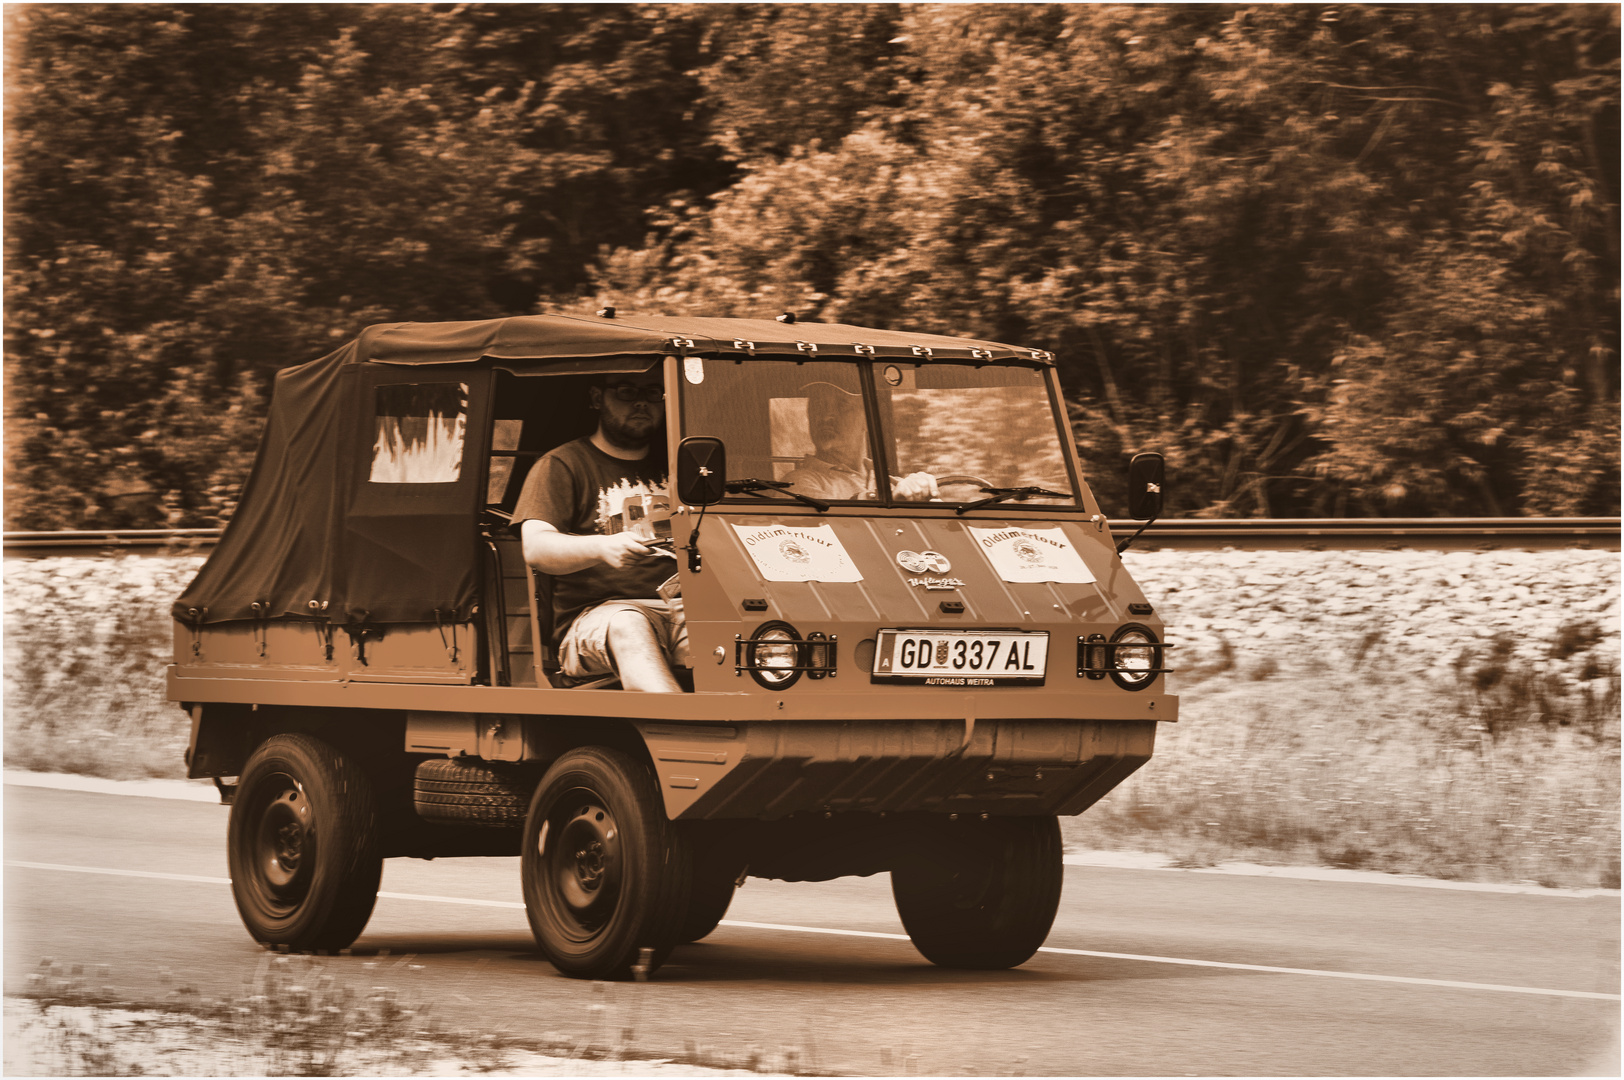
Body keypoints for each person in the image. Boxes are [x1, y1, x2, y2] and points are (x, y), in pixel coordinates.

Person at [513, 369, 687, 692]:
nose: (640, 403)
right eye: (626, 391)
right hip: (596, 619)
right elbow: (536, 548)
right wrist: (602, 549)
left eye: (652, 393)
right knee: (628, 624)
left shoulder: (682, 466)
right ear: (597, 398)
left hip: (685, 608)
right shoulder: (561, 465)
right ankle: (683, 729)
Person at [781, 382, 938, 500]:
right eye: (818, 406)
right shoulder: (796, 483)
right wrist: (892, 498)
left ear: (868, 419)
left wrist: (923, 487)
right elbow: (830, 523)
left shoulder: (890, 482)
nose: (826, 416)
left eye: (842, 404)